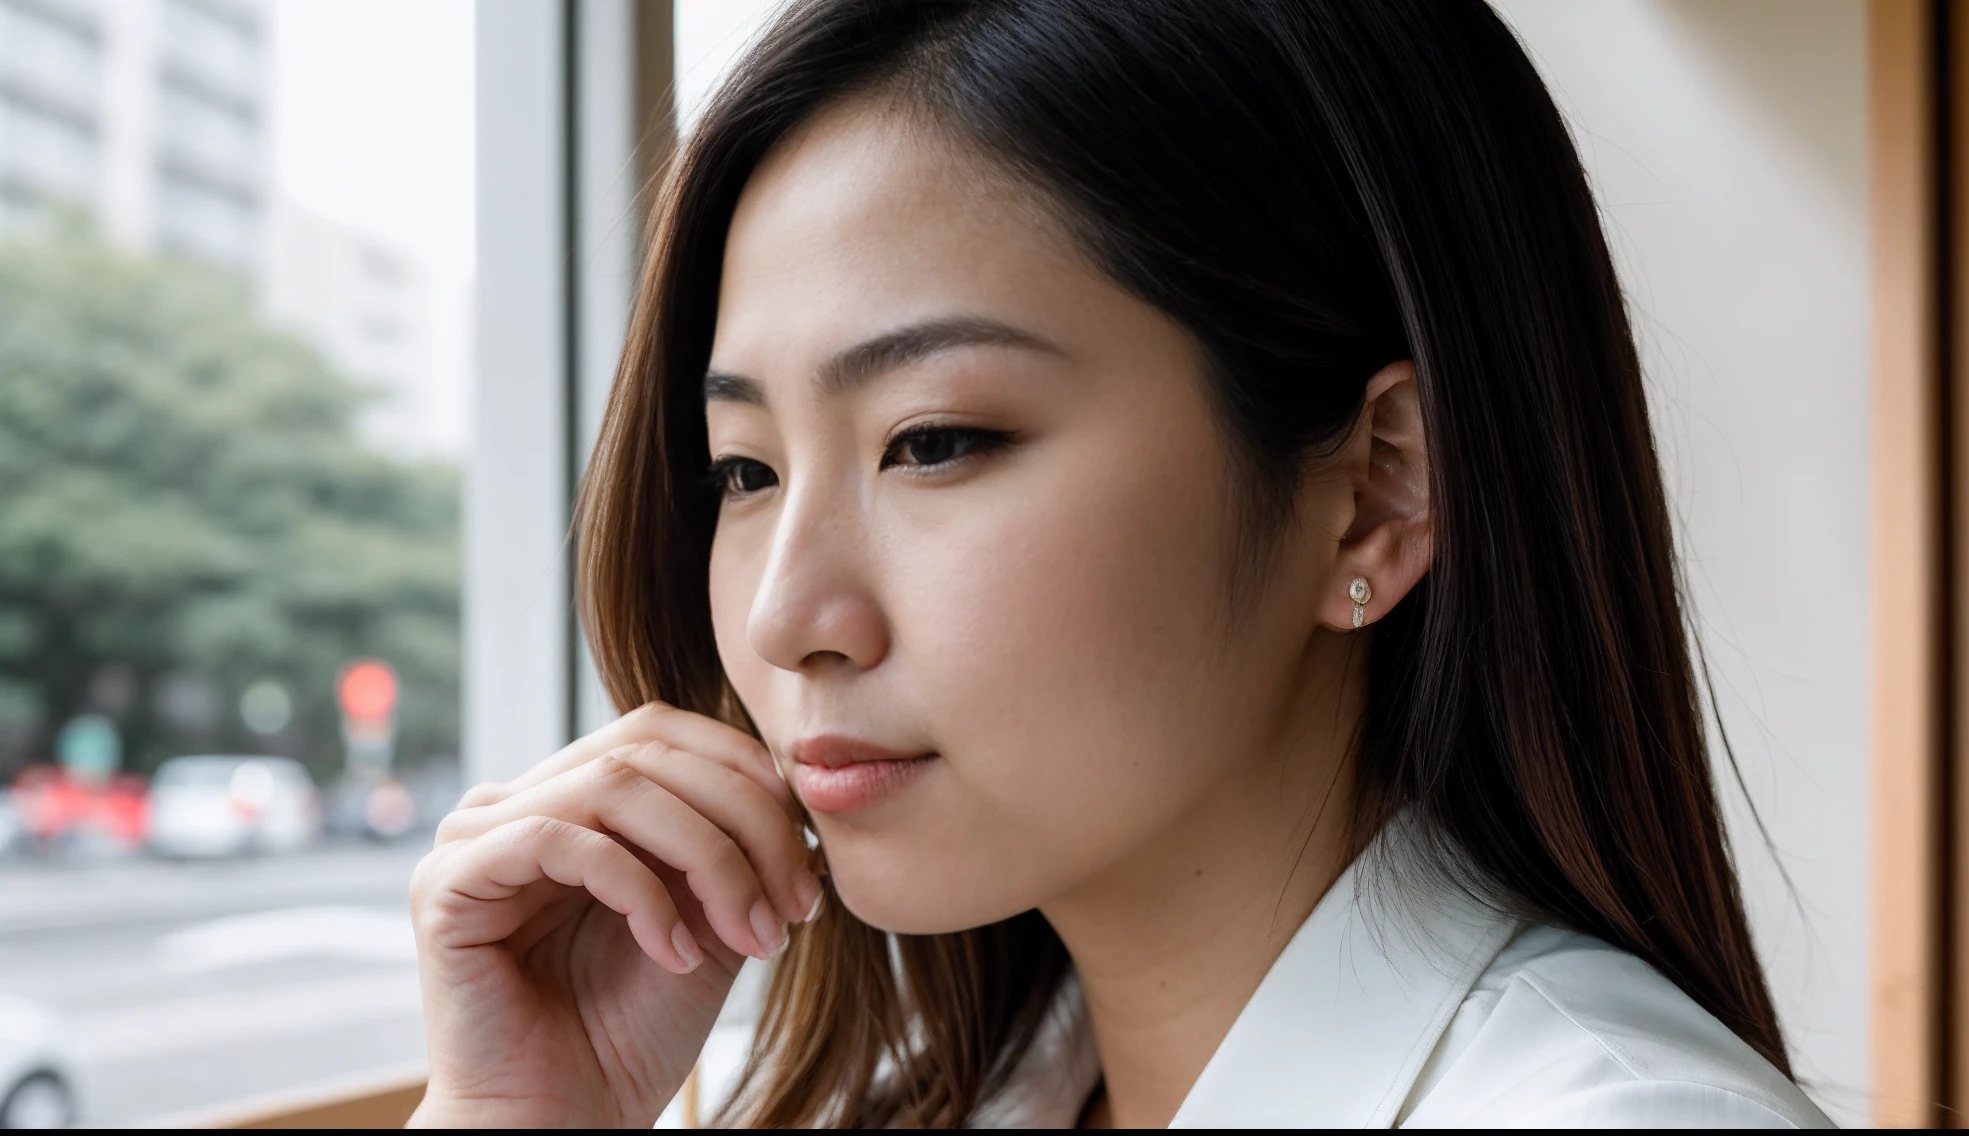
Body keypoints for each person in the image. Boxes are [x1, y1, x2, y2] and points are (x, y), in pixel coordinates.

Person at [407, 0, 1834, 1126]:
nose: (786, 617)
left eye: (936, 440)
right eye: (744, 472)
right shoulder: (937, 1092)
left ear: (1376, 493)